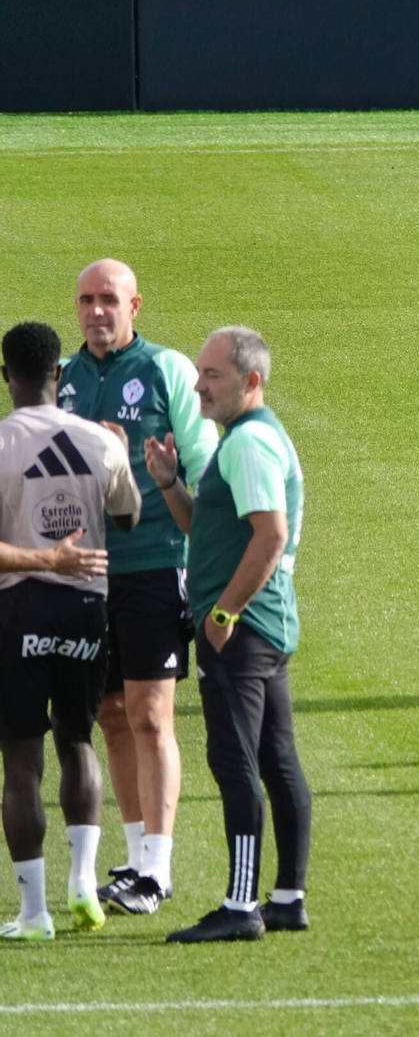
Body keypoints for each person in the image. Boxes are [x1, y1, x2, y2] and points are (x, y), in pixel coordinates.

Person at [59, 259, 217, 913]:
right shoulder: (64, 381)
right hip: (87, 571)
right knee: (109, 713)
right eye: (87, 301)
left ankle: (158, 866)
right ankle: (130, 860)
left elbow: (203, 467)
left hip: (155, 559)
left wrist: (165, 477)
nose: (97, 311)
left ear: (136, 305)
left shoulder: (165, 370)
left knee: (152, 715)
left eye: (110, 300)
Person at [146, 327, 311, 942]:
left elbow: (268, 535)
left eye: (212, 375)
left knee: (236, 761)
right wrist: (169, 482)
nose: (198, 385)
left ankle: (242, 906)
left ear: (252, 380)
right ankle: (288, 896)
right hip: (265, 622)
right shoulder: (247, 439)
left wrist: (222, 614)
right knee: (275, 757)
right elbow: (207, 528)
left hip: (243, 628)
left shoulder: (247, 445)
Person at [0, 321, 142, 940]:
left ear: (6, 377)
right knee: (78, 741)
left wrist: (43, 558)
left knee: (22, 760)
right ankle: (83, 882)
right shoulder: (97, 440)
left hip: (18, 609)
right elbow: (129, 516)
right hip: (88, 606)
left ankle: (34, 914)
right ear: (60, 373)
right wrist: (118, 451)